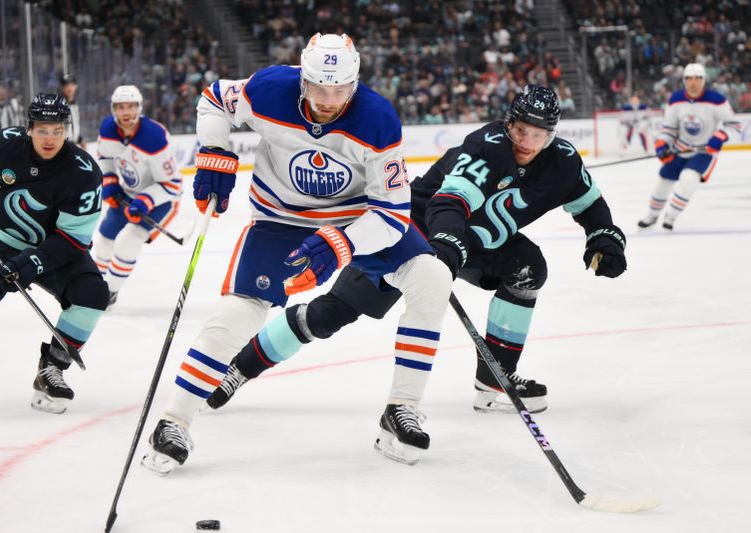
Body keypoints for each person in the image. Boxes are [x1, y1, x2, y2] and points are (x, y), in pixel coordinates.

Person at [205, 84, 628, 418]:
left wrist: (604, 237)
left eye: (538, 135)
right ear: (509, 122)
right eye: (520, 130)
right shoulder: (487, 146)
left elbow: (589, 203)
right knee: (332, 312)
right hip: (414, 230)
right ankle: (240, 367)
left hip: (474, 245)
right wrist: (444, 247)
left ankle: (495, 380)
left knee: (528, 268)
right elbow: (451, 202)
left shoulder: (564, 161)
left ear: (552, 135)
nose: (526, 141)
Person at [141, 33, 452, 473]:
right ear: (303, 79)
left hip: (357, 219)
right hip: (279, 218)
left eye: (340, 90)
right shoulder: (270, 88)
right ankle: (174, 421)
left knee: (431, 279)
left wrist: (342, 241)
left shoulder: (378, 118)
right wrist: (214, 149)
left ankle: (401, 407)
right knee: (239, 312)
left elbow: (393, 213)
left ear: (355, 82)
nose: (328, 100)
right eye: (319, 88)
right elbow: (214, 99)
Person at [0, 93, 108, 414]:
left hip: (55, 251)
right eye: (42, 130)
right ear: (29, 129)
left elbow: (72, 239)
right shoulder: (7, 143)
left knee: (91, 294)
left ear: (67, 130)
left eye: (57, 130)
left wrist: (35, 262)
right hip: (1, 241)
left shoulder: (83, 171)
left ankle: (53, 366)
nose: (49, 138)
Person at [91, 85, 182, 306]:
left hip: (161, 201)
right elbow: (104, 157)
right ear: (114, 109)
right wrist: (110, 180)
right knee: (103, 240)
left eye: (130, 106)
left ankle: (109, 292)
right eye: (121, 107)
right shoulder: (108, 129)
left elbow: (173, 185)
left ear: (139, 108)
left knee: (127, 242)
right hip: (128, 194)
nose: (126, 112)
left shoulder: (154, 137)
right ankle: (92, 285)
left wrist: (146, 200)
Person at [638, 63, 740, 230]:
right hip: (680, 148)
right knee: (663, 182)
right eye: (689, 79)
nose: (693, 82)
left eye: (697, 78)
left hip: (704, 151)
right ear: (684, 81)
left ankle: (670, 216)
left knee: (688, 180)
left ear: (703, 80)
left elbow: (735, 124)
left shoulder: (717, 100)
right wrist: (662, 144)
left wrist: (719, 136)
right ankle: (652, 216)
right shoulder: (676, 99)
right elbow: (669, 128)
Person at [59, 74, 85, 149]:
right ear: (62, 88)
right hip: (63, 147)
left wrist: (80, 139)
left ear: (75, 86)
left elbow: (75, 123)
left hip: (73, 146)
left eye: (71, 85)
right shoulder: (58, 105)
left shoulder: (75, 105)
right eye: (66, 85)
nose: (69, 88)